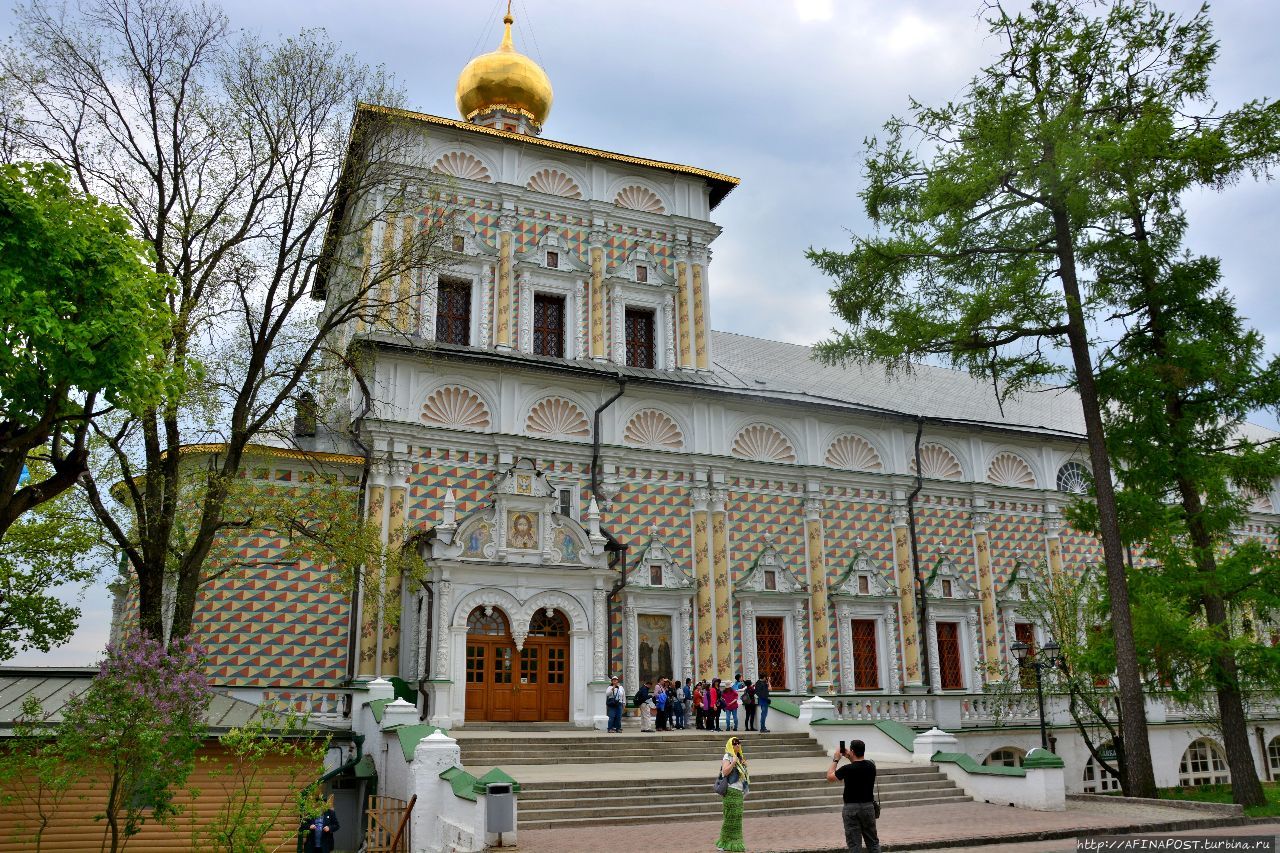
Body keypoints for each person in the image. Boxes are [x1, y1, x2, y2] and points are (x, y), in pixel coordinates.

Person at [827, 739, 879, 853]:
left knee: (854, 845)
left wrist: (836, 759)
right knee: (873, 843)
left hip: (851, 809)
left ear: (852, 751)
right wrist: (850, 756)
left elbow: (830, 777)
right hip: (868, 807)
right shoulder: (871, 766)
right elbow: (858, 764)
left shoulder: (847, 769)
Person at [716, 736, 749, 852]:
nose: (737, 745)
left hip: (739, 792)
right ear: (730, 745)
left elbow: (742, 776)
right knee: (730, 817)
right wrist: (733, 763)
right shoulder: (728, 756)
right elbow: (725, 772)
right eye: (734, 743)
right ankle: (723, 842)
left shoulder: (740, 757)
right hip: (730, 791)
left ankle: (735, 843)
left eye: (738, 743)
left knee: (737, 818)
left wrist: (743, 765)